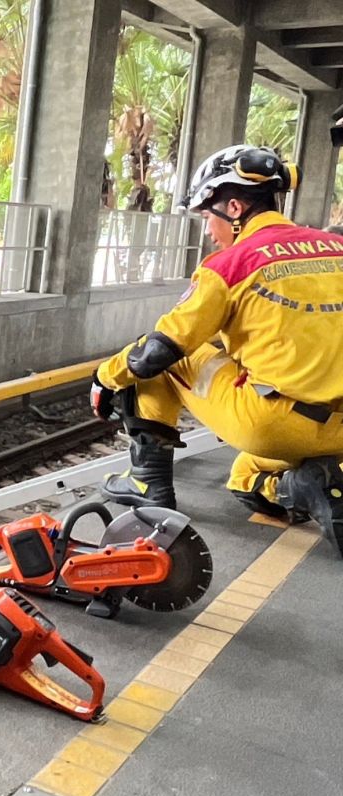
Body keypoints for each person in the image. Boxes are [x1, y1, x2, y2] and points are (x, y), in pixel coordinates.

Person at [92, 144, 343, 555]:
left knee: (162, 359)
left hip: (274, 424)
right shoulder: (336, 248)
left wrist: (104, 378)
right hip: (339, 433)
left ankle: (147, 482)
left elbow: (159, 350)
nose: (209, 230)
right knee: (243, 476)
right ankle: (301, 487)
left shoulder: (228, 266)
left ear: (234, 207)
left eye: (209, 217)